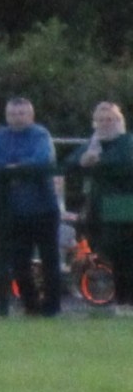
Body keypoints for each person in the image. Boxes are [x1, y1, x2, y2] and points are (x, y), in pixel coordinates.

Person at [0, 97, 61, 317]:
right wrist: (9, 166)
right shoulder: (0, 136)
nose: (17, 118)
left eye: (22, 114)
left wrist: (13, 167)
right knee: (19, 263)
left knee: (50, 260)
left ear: (31, 115)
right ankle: (31, 306)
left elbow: (41, 159)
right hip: (14, 211)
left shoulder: (40, 135)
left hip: (44, 209)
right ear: (6, 116)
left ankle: (52, 308)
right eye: (13, 114)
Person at [65, 102, 133, 311]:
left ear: (119, 121)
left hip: (122, 203)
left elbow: (123, 162)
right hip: (97, 207)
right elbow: (71, 161)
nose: (105, 124)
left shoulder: (127, 141)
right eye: (100, 120)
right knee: (106, 252)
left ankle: (126, 301)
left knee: (123, 253)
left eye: (110, 119)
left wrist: (96, 161)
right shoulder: (93, 142)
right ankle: (119, 301)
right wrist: (83, 161)